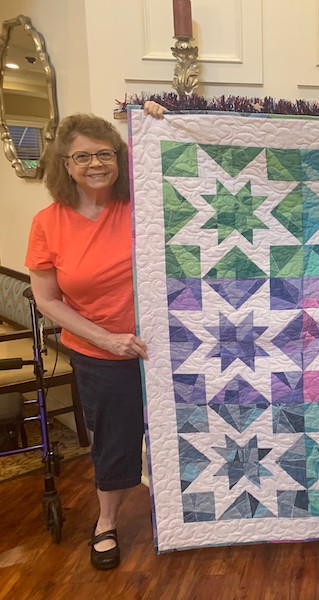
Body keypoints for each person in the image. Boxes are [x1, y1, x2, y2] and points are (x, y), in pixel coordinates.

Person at [26, 114, 149, 570]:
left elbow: (178, 163)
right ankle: (107, 522)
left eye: (105, 153)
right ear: (66, 163)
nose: (96, 163)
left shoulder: (140, 200)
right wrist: (108, 339)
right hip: (101, 353)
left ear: (119, 157)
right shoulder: (48, 223)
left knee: (197, 426)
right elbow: (47, 300)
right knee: (115, 441)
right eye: (83, 156)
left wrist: (164, 117)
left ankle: (192, 513)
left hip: (169, 344)